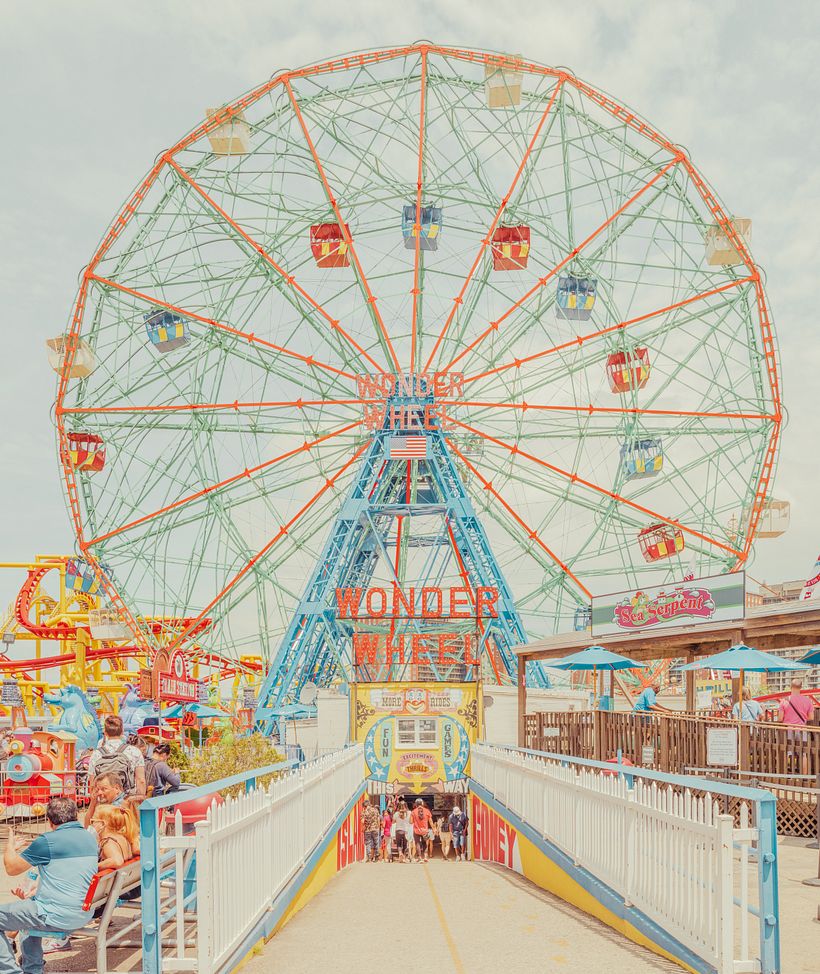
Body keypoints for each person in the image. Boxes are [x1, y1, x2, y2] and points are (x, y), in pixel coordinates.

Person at [0, 797, 98, 974]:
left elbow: (11, 868)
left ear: (50, 821)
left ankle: (10, 971)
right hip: (84, 912)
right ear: (75, 815)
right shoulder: (89, 837)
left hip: (58, 916)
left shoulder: (47, 841)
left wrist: (11, 847)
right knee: (28, 908)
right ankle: (33, 969)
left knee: (21, 912)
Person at [87, 715, 145, 819]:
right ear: (122, 731)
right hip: (127, 804)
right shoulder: (134, 752)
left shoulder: (96, 754)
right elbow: (141, 780)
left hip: (104, 806)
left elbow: (93, 784)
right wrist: (139, 800)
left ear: (105, 732)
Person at [90, 805, 138, 870]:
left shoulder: (108, 841)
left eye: (93, 821)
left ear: (102, 824)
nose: (92, 825)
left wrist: (92, 867)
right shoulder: (123, 838)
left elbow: (117, 861)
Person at [411, 798, 433, 863]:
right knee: (425, 844)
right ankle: (425, 857)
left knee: (417, 844)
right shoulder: (427, 811)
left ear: (416, 804)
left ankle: (420, 858)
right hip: (425, 831)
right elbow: (430, 821)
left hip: (416, 831)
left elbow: (410, 821)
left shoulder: (413, 812)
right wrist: (434, 828)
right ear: (422, 803)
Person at [362, 798, 380, 863]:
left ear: (365, 806)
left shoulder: (364, 811)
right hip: (375, 828)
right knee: (376, 842)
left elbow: (362, 821)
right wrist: (378, 827)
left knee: (368, 843)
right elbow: (378, 819)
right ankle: (377, 857)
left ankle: (369, 858)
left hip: (368, 829)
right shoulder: (375, 810)